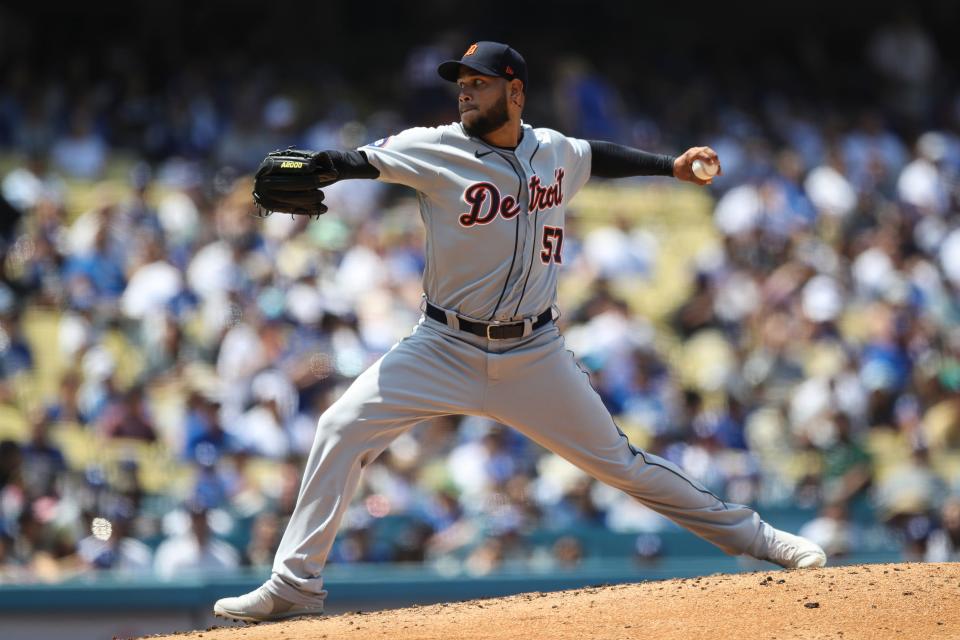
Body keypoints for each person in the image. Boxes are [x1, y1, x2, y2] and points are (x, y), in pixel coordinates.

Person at [214, 41, 826, 623]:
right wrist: (324, 167)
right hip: (443, 345)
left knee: (624, 465)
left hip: (534, 352)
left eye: (479, 84)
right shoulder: (432, 147)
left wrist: (671, 166)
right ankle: (295, 586)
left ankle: (764, 540)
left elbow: (596, 155)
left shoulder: (553, 149)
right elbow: (362, 160)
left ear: (515, 92)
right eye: (461, 84)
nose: (465, 94)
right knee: (340, 427)